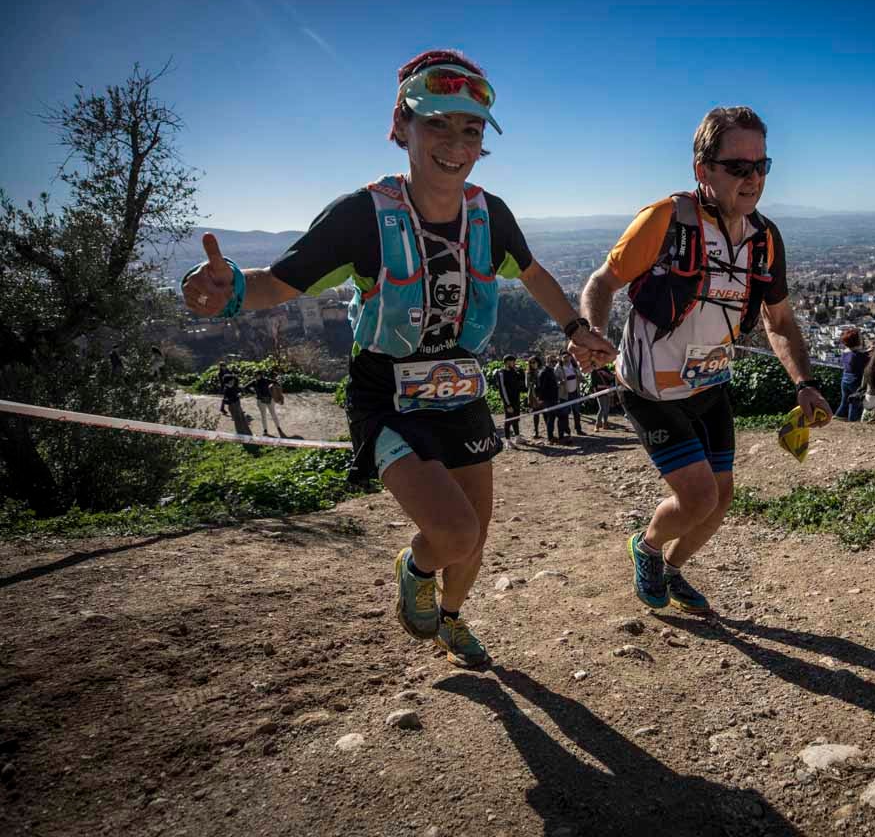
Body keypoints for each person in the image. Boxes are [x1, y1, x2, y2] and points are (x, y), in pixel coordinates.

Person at [182, 49, 615, 668]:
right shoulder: (362, 216)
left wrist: (575, 326)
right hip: (386, 396)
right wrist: (230, 296)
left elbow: (533, 271)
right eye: (437, 123)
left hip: (462, 389)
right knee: (454, 532)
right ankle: (415, 568)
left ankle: (453, 621)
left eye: (471, 131)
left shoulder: (490, 215)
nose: (456, 144)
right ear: (401, 126)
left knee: (474, 538)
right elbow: (283, 281)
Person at [580, 105, 831, 615]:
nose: (753, 178)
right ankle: (647, 548)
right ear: (704, 170)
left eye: (762, 165)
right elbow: (602, 283)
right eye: (738, 166)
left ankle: (672, 571)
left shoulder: (765, 240)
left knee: (721, 499)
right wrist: (593, 334)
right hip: (650, 389)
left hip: (710, 384)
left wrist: (803, 383)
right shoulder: (665, 220)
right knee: (696, 498)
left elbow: (778, 322)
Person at [835, 327, 867, 422]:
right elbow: (864, 360)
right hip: (855, 381)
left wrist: (866, 352)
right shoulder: (861, 356)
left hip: (845, 379)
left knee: (845, 401)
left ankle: (838, 416)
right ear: (857, 341)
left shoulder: (845, 353)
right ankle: (853, 420)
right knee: (854, 402)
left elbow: (854, 354)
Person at [494, 354, 525, 447]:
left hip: (516, 399)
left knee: (516, 418)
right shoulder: (501, 373)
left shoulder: (514, 371)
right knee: (508, 419)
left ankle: (517, 437)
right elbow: (502, 389)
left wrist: (520, 371)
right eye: (513, 361)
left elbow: (521, 381)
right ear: (507, 362)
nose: (514, 363)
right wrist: (507, 404)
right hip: (508, 401)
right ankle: (508, 440)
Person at [245, 370, 286, 436]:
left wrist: (276, 392)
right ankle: (265, 430)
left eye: (257, 375)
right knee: (263, 415)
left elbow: (277, 383)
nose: (256, 376)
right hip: (260, 400)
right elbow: (245, 387)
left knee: (273, 414)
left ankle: (278, 428)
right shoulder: (254, 382)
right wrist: (254, 393)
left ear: (261, 375)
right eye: (255, 375)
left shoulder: (266, 380)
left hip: (270, 399)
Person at [537, 353, 562, 442]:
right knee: (550, 418)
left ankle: (551, 436)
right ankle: (550, 437)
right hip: (548, 399)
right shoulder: (544, 372)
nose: (554, 363)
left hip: (553, 398)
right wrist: (541, 399)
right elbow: (541, 387)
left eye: (555, 361)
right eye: (552, 361)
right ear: (547, 361)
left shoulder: (551, 371)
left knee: (552, 418)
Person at [561, 352, 586, 436]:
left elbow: (580, 376)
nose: (566, 358)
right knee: (565, 413)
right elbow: (556, 379)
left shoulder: (575, 367)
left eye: (568, 356)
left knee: (576, 412)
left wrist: (581, 378)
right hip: (565, 394)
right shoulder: (559, 368)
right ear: (561, 358)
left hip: (575, 392)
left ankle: (578, 429)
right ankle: (567, 431)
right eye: (564, 357)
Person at [589, 363, 617, 431]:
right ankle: (597, 425)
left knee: (607, 408)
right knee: (602, 408)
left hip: (607, 391)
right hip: (600, 392)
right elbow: (595, 386)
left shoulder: (605, 368)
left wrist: (606, 374)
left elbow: (612, 378)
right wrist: (606, 386)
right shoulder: (593, 373)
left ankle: (605, 423)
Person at [524, 355, 544, 438]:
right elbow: (527, 385)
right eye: (531, 363)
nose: (532, 364)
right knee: (536, 414)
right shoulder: (528, 372)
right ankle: (536, 431)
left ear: (538, 362)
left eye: (534, 362)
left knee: (546, 413)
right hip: (534, 394)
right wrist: (532, 382)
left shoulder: (542, 370)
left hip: (543, 393)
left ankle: (550, 433)